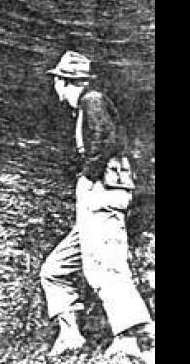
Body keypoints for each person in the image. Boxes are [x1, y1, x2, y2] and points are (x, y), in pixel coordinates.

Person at [41, 51, 155, 360]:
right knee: (54, 269)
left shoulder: (91, 101)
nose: (56, 89)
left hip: (102, 194)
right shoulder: (86, 106)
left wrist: (89, 176)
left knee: (104, 266)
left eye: (57, 82)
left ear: (64, 82)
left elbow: (107, 139)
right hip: (95, 199)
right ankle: (70, 335)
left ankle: (131, 338)